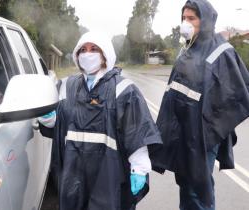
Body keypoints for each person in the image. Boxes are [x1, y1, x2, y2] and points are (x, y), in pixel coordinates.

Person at [39, 31, 162, 210]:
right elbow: (60, 123)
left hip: (108, 174)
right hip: (73, 174)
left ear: (105, 54)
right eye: (83, 49)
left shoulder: (123, 90)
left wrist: (139, 166)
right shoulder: (66, 86)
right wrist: (50, 120)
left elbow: (136, 130)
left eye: (94, 49)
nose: (87, 54)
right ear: (76, 55)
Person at [150, 0, 249, 210]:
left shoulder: (222, 51)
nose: (186, 23)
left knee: (198, 189)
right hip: (183, 133)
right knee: (185, 185)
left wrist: (208, 130)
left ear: (204, 21)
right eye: (184, 18)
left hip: (204, 136)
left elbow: (237, 95)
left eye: (191, 18)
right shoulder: (187, 50)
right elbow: (173, 92)